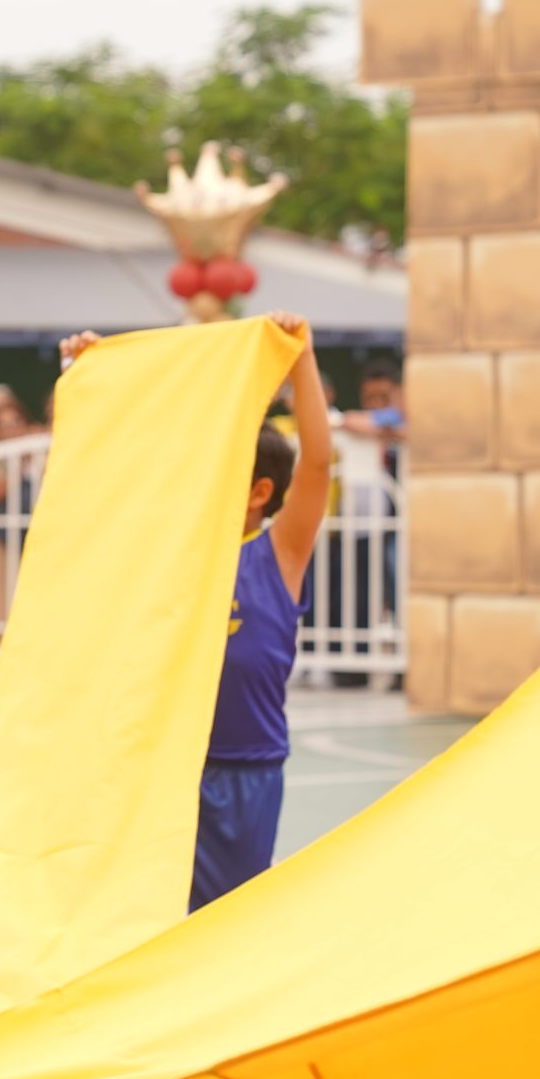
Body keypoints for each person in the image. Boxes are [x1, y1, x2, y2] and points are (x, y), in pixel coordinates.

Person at [61, 313, 331, 911]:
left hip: (244, 772)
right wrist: (90, 379)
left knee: (227, 919)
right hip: (163, 766)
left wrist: (302, 361)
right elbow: (107, 474)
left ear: (259, 492)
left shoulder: (278, 554)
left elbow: (316, 465)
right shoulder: (172, 550)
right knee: (145, 912)